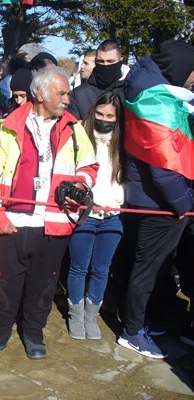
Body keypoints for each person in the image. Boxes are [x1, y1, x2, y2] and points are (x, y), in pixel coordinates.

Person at [0, 66, 98, 362]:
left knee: (43, 284)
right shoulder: (7, 127)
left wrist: (81, 185)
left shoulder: (73, 128)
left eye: (68, 92)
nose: (68, 98)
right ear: (40, 94)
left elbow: (89, 166)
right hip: (14, 223)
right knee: (6, 283)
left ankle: (33, 334)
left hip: (54, 223)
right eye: (62, 92)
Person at [116, 40, 194, 359]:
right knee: (147, 270)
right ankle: (132, 332)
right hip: (159, 204)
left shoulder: (157, 93)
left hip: (162, 202)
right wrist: (185, 204)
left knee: (157, 268)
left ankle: (142, 320)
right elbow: (164, 168)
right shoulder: (155, 102)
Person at [66, 92, 124, 340]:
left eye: (110, 116)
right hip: (85, 214)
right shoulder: (80, 135)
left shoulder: (123, 142)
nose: (104, 119)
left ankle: (91, 316)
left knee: (101, 269)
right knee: (79, 267)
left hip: (112, 216)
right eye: (100, 114)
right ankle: (75, 315)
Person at [68, 40, 126, 120]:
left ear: (121, 60)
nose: (105, 65)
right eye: (100, 61)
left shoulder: (130, 91)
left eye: (110, 61)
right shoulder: (78, 95)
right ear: (96, 61)